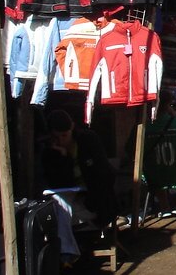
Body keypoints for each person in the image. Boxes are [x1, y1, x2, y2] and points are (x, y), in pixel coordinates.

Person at [41, 109, 118, 263]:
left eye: (65, 135)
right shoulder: (50, 153)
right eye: (57, 137)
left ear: (72, 128)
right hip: (72, 203)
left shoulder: (88, 141)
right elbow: (59, 184)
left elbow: (104, 175)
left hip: (95, 203)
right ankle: (66, 252)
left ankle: (66, 253)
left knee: (59, 210)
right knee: (57, 205)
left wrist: (91, 198)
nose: (61, 140)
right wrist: (63, 157)